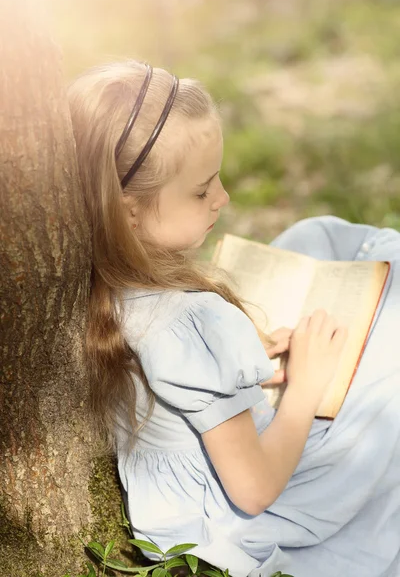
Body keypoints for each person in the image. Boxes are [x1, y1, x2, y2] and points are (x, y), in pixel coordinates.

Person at [68, 60, 400, 577]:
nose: (223, 198)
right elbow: (255, 489)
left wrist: (245, 355)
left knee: (320, 234)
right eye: (202, 191)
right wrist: (307, 387)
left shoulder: (97, 281)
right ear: (128, 210)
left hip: (190, 490)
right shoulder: (192, 319)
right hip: (250, 505)